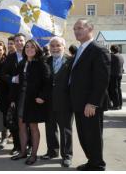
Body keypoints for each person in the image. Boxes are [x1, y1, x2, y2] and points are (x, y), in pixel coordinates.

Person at [69, 18, 110, 171]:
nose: (76, 31)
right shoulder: (81, 49)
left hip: (90, 104)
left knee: (92, 136)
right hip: (79, 102)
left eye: (80, 28)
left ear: (90, 29)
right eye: (74, 29)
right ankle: (91, 161)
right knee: (84, 135)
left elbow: (102, 80)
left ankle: (98, 164)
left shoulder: (99, 50)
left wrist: (93, 103)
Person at [11, 39, 50, 165]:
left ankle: (33, 155)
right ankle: (23, 152)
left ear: (37, 49)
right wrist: (13, 99)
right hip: (21, 98)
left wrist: (42, 96)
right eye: (27, 47)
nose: (29, 49)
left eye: (32, 47)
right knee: (21, 126)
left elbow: (48, 82)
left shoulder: (41, 63)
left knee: (33, 127)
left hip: (34, 100)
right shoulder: (22, 63)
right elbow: (16, 83)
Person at [41, 37, 73, 167]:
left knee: (65, 130)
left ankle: (67, 155)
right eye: (52, 46)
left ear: (63, 47)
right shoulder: (46, 61)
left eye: (58, 45)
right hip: (49, 102)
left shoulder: (71, 61)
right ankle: (52, 151)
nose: (55, 48)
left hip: (66, 102)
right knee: (50, 128)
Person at [108, 45, 124, 110]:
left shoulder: (113, 56)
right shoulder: (120, 56)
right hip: (119, 74)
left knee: (114, 90)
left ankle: (116, 105)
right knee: (118, 89)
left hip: (113, 75)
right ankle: (120, 104)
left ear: (112, 50)